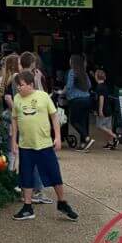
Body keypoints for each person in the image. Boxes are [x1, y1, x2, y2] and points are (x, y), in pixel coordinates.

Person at [11, 71, 79, 222]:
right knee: (26, 176)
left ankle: (62, 203)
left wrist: (58, 137)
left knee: (54, 174)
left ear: (30, 85)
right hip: (25, 146)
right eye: (17, 85)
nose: (18, 88)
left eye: (21, 85)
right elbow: (14, 120)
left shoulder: (43, 96)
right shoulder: (17, 99)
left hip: (44, 145)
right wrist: (14, 141)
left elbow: (54, 116)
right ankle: (28, 207)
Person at [16, 52, 53, 203]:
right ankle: (36, 190)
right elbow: (41, 98)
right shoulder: (30, 79)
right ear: (32, 64)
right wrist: (37, 81)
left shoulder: (17, 78)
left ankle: (25, 188)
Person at [65, 54, 94, 150]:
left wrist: (65, 93)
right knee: (83, 121)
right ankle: (83, 144)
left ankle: (86, 138)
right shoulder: (84, 73)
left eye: (70, 61)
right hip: (87, 99)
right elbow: (89, 86)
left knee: (73, 121)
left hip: (76, 100)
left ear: (73, 62)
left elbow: (69, 86)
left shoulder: (72, 72)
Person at [92, 68, 118, 149]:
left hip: (104, 109)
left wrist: (100, 110)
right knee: (108, 127)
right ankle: (110, 143)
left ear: (96, 77)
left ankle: (115, 136)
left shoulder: (99, 87)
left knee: (100, 125)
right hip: (109, 108)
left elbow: (101, 99)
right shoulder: (105, 86)